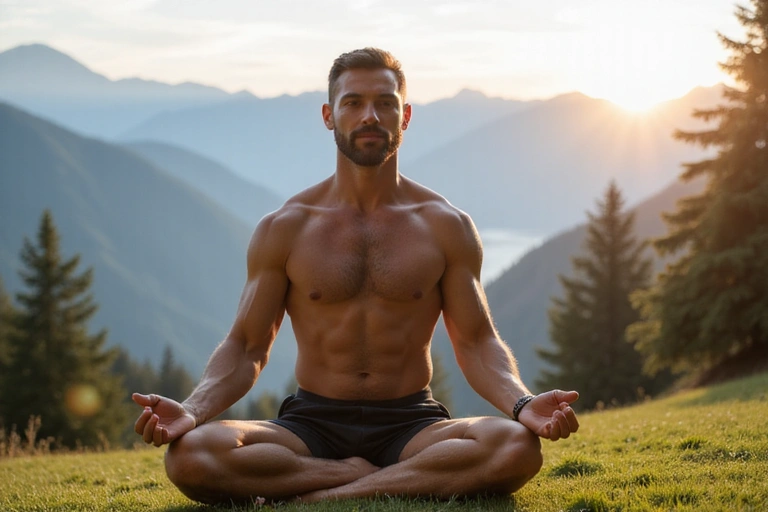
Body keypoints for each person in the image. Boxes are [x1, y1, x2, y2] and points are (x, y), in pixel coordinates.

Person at [133, 47, 579, 505]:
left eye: (385, 102)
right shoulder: (285, 227)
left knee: (516, 446)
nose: (370, 115)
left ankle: (320, 495)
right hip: (311, 423)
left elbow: (476, 342)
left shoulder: (446, 226)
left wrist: (522, 405)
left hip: (413, 423)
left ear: (405, 116)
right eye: (353, 102)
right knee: (191, 456)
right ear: (329, 115)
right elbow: (247, 347)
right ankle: (375, 477)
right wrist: (191, 410)